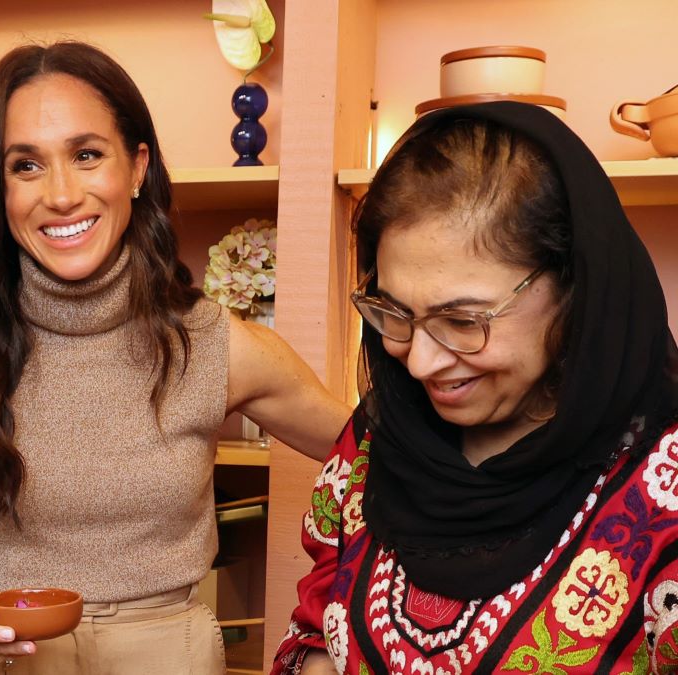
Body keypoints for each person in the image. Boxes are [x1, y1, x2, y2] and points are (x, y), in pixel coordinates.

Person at [0, 41, 350, 674]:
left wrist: (337, 622)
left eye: (86, 155)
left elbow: (386, 457)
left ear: (136, 169)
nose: (61, 194)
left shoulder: (218, 344)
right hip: (2, 659)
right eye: (26, 166)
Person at [272, 101, 678, 674]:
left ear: (573, 286)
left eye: (463, 322)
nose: (419, 363)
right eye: (394, 313)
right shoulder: (374, 441)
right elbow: (316, 630)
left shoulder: (664, 486)